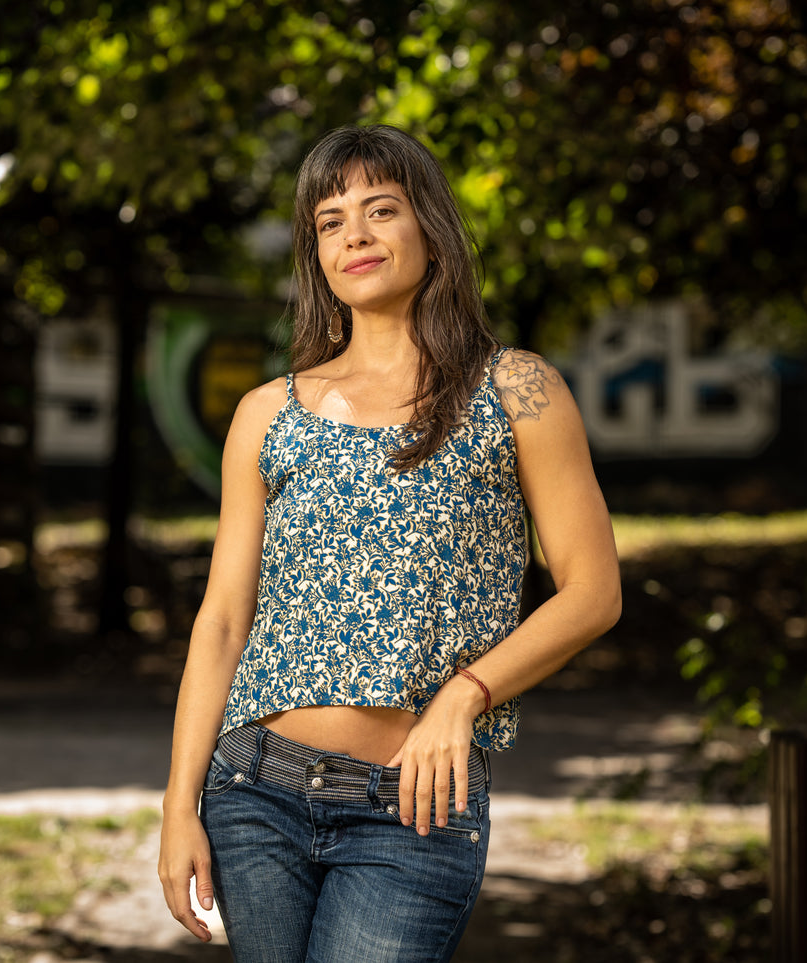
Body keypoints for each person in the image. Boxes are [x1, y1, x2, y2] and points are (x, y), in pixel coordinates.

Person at [157, 124, 621, 962]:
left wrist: (464, 694)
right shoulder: (267, 413)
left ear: (430, 231)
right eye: (330, 221)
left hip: (415, 803)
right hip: (253, 791)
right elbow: (223, 622)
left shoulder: (515, 389)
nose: (356, 235)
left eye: (380, 209)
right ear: (316, 255)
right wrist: (177, 805)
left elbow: (592, 592)